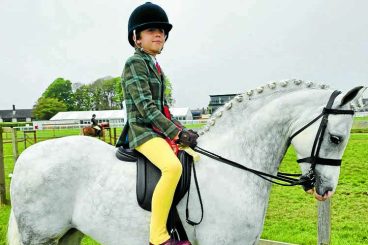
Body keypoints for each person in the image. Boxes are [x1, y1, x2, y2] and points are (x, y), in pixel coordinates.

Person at [122, 2, 198, 245]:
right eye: (151, 30)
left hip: (157, 129)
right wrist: (175, 133)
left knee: (195, 156)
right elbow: (146, 107)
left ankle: (181, 225)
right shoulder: (135, 63)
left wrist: (183, 130)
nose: (159, 34)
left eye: (162, 31)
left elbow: (163, 108)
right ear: (136, 37)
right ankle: (157, 236)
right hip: (142, 131)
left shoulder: (156, 67)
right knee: (172, 168)